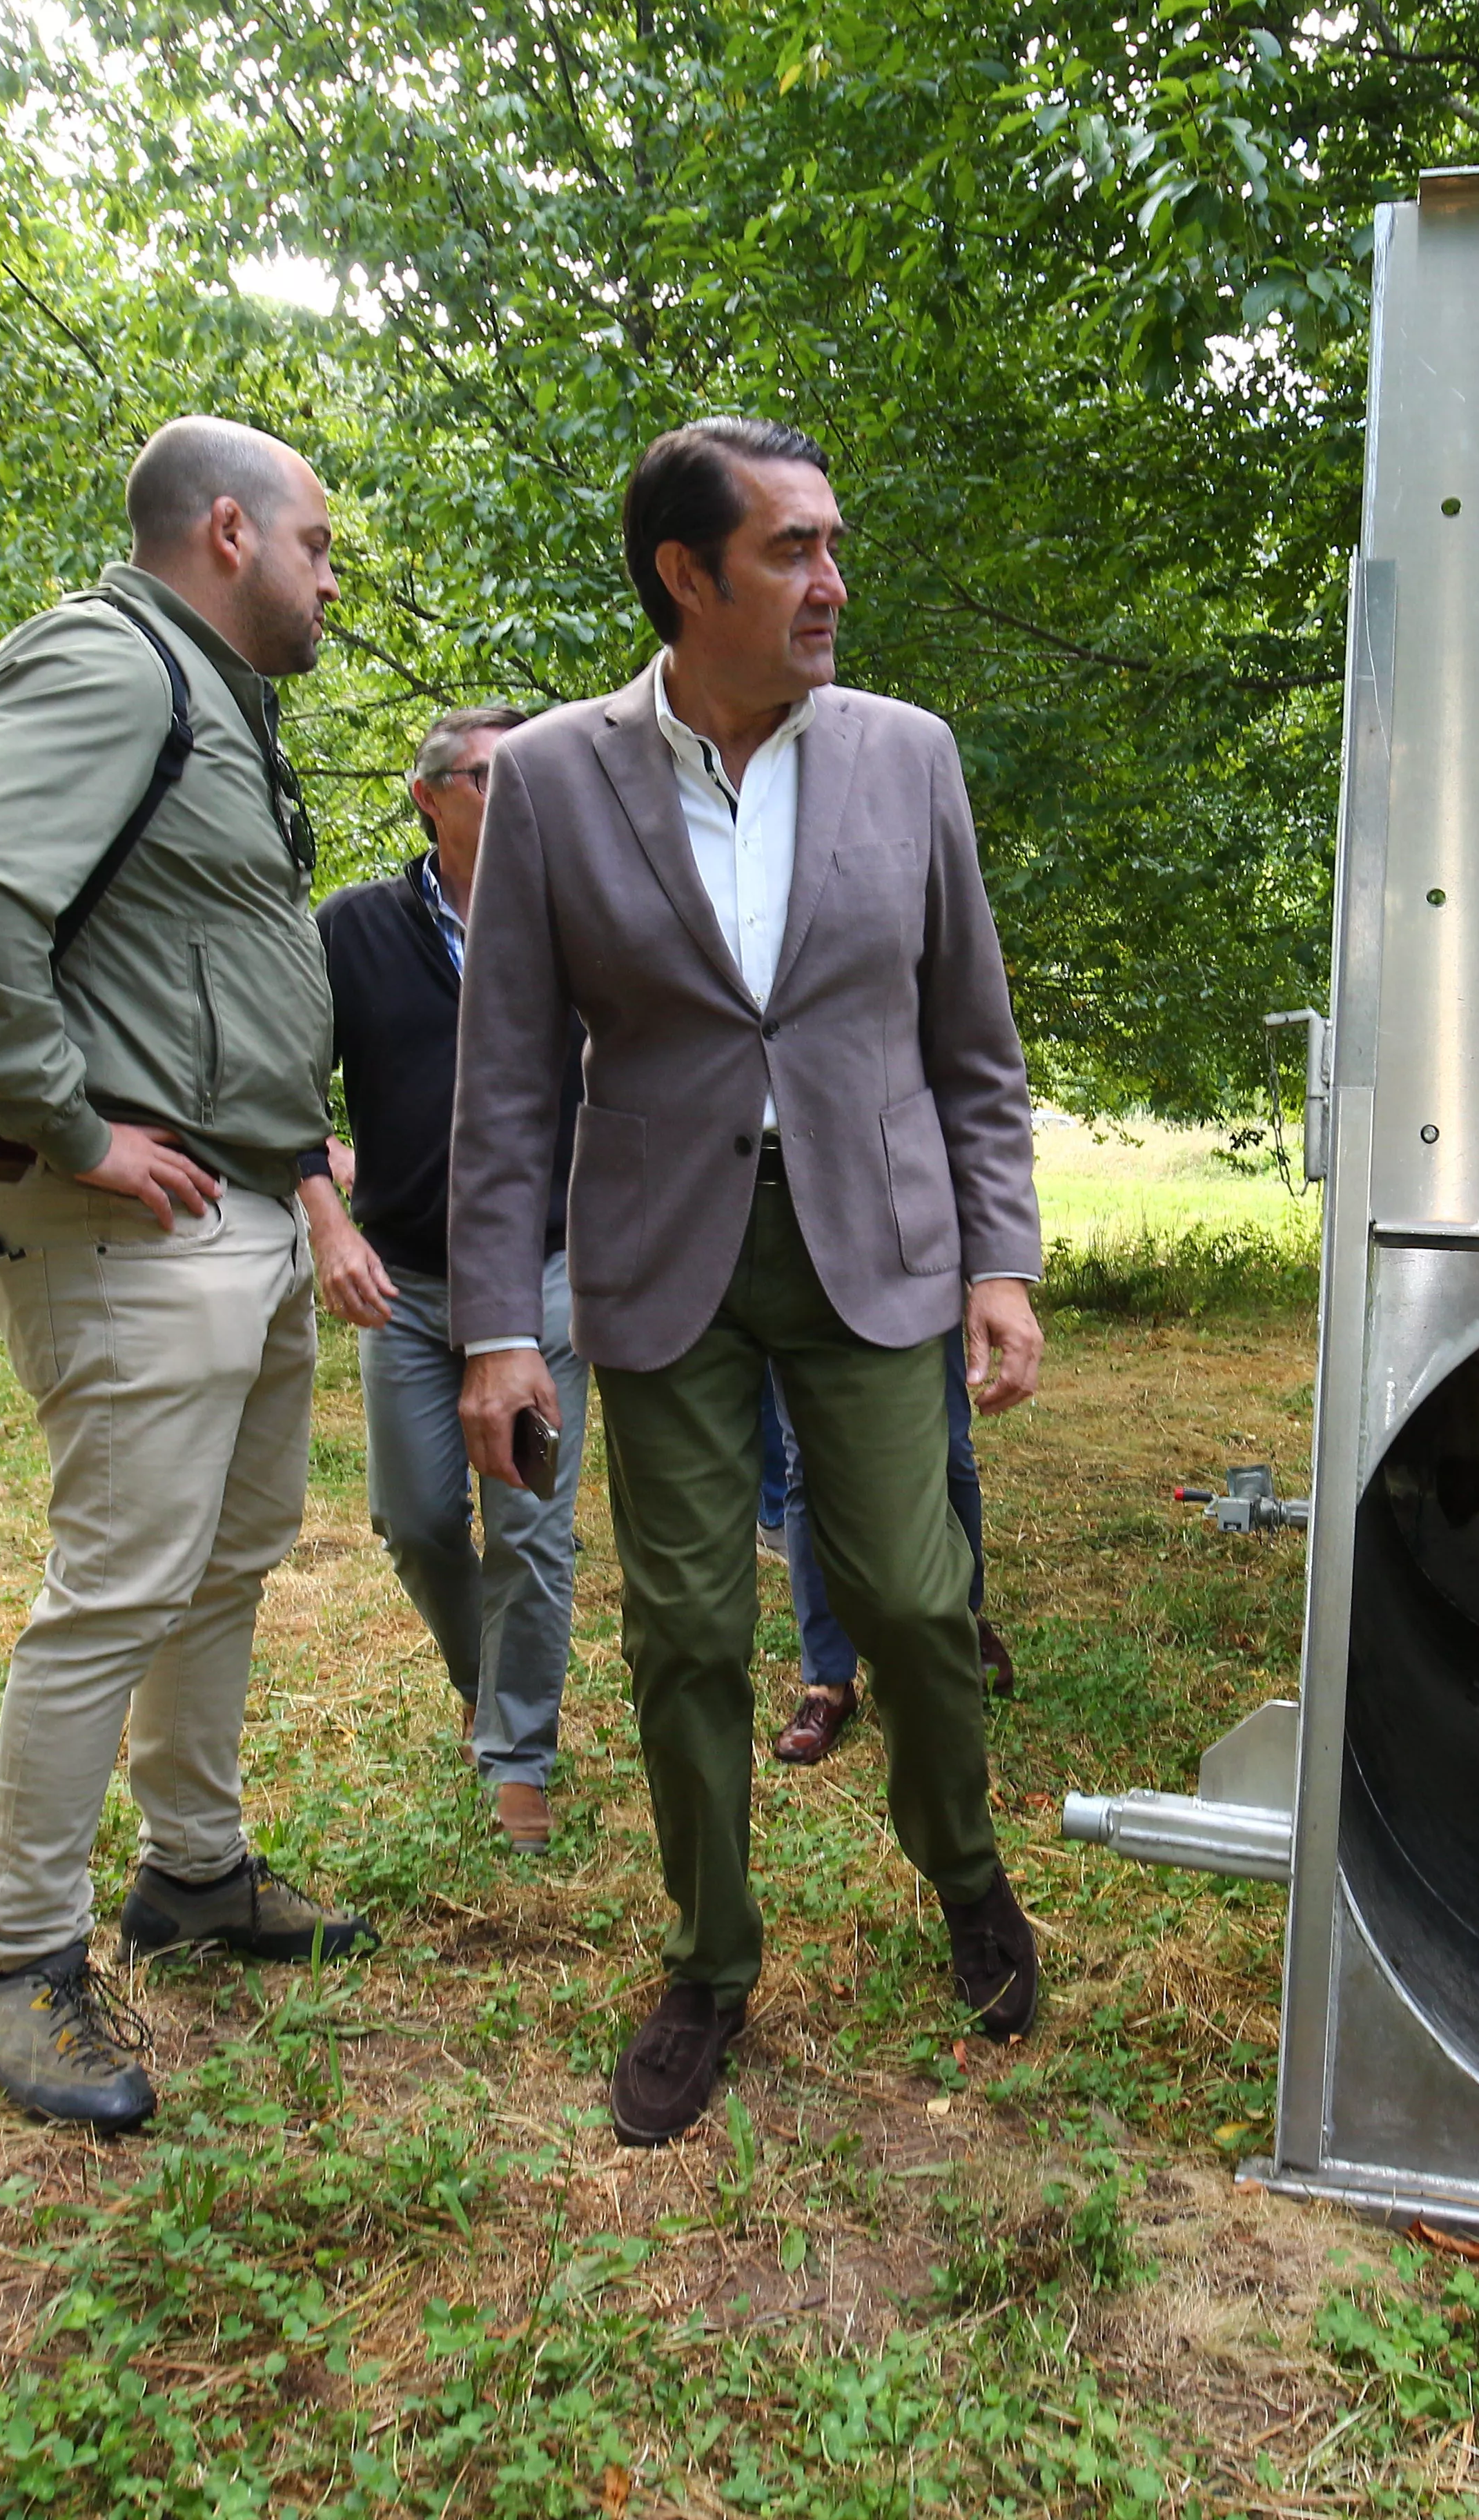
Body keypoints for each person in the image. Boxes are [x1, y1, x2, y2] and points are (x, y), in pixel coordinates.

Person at [449, 414, 1046, 2149]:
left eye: (832, 544)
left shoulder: (906, 756)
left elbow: (973, 1045)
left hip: (874, 1241)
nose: (832, 581)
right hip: (662, 1257)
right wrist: (496, 1327)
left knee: (916, 1607)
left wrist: (1000, 1260)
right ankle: (710, 1960)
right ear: (685, 575)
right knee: (689, 1631)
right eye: (792, 550)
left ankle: (966, 1872)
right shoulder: (550, 777)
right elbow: (505, 1082)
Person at [0, 414, 376, 2136]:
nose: (332, 581)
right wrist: (75, 1124)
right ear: (228, 532)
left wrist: (303, 1166)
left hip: (241, 1210)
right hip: (130, 1223)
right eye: (318, 545)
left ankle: (194, 1872)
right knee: (116, 1587)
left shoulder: (216, 701)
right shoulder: (112, 664)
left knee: (225, 1560)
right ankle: (20, 1961)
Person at [299, 706, 587, 1855]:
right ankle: (484, 1679)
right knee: (415, 1518)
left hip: (546, 1276)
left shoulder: (575, 920)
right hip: (406, 1284)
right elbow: (282, 1081)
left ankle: (517, 1754)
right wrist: (328, 1219)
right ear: (427, 796)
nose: (518, 796)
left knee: (530, 1522)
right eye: (488, 777)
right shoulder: (355, 928)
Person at [767, 1340, 1011, 1766]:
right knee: (807, 1465)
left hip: (917, 1302)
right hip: (798, 1305)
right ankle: (828, 1682)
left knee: (948, 1446)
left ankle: (963, 1625)